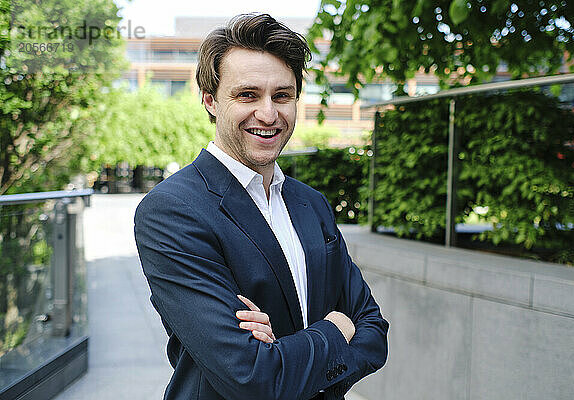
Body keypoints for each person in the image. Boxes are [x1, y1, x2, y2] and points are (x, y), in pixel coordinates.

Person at [134, 13, 388, 400]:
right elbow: (252, 377)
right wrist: (335, 329)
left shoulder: (311, 204)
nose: (268, 114)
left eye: (282, 96)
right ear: (210, 101)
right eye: (247, 95)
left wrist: (289, 363)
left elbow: (374, 330)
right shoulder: (171, 211)